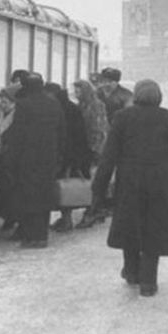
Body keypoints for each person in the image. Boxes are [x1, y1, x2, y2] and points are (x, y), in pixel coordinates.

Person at [92, 79, 168, 297]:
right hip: (161, 182)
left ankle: (132, 271)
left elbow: (109, 156)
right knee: (154, 229)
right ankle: (149, 282)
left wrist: (99, 186)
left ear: (136, 95)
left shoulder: (122, 118)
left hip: (129, 181)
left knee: (130, 226)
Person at [5, 72, 66, 248]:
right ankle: (41, 236)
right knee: (44, 196)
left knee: (28, 197)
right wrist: (59, 155)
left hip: (28, 158)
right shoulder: (53, 104)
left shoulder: (24, 105)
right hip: (49, 157)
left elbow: (18, 134)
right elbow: (62, 131)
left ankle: (30, 236)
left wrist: (12, 157)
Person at [44, 82, 93, 232]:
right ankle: (65, 218)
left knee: (64, 186)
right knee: (62, 186)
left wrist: (68, 158)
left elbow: (70, 135)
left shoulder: (63, 109)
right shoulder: (69, 106)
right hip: (72, 153)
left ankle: (67, 219)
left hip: (69, 155)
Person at [73, 79, 110, 229]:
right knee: (91, 181)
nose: (76, 94)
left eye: (78, 91)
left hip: (95, 149)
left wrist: (96, 149)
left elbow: (100, 129)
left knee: (95, 182)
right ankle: (96, 210)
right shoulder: (81, 105)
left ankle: (92, 212)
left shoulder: (96, 106)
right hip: (86, 148)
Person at [0, 85, 21, 233]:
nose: (1, 105)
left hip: (10, 160)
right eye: (1, 102)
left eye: (5, 102)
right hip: (1, 160)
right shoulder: (1, 116)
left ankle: (12, 218)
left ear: (13, 102)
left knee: (11, 190)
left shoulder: (16, 117)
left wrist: (3, 149)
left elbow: (16, 140)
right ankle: (8, 216)